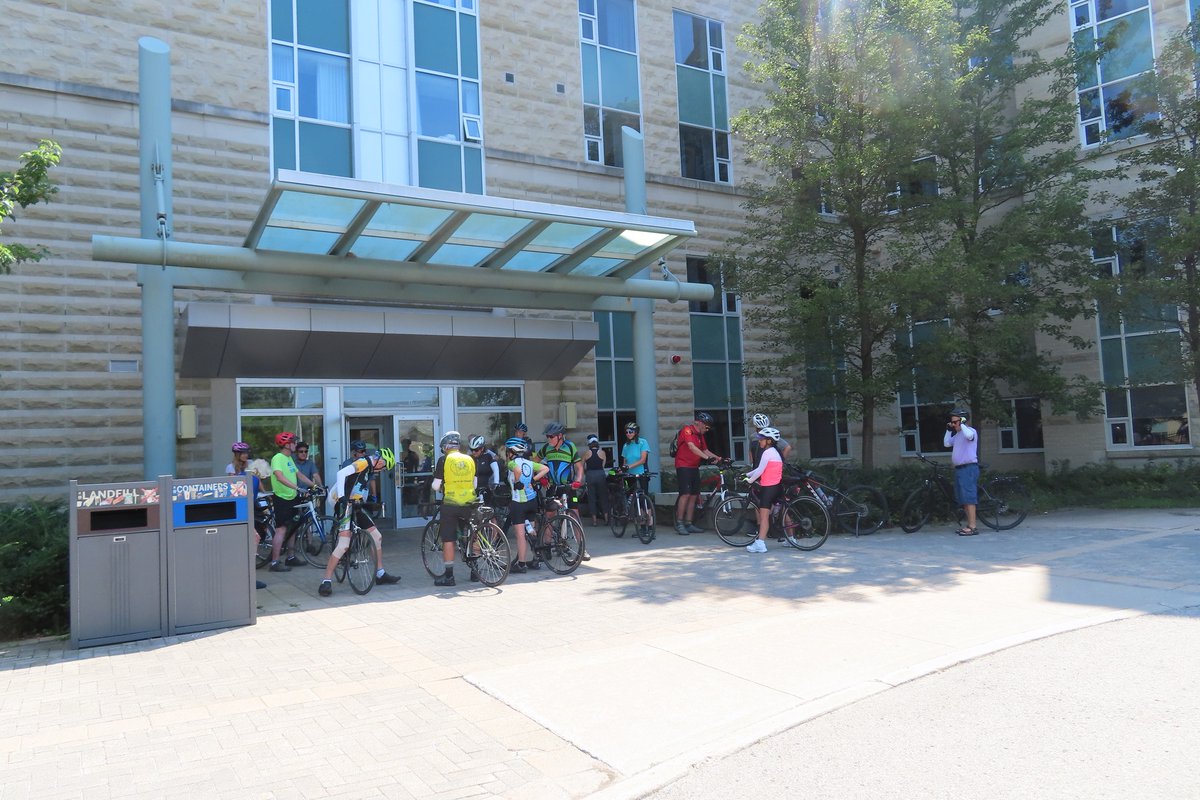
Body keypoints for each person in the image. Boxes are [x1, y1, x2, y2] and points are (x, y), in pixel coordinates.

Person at [316, 448, 401, 596]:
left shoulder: (370, 468)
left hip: (355, 502)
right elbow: (341, 474)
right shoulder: (362, 463)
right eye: (384, 467)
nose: (382, 470)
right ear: (380, 461)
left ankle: (380, 574)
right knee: (343, 544)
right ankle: (326, 581)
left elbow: (358, 486)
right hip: (342, 502)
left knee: (377, 537)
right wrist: (343, 497)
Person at [536, 421, 590, 560]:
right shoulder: (546, 448)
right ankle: (547, 546)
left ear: (560, 436)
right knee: (550, 516)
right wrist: (542, 478)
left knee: (575, 517)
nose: (548, 439)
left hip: (569, 487)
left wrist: (578, 481)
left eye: (551, 436)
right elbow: (535, 463)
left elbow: (579, 468)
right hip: (552, 487)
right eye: (547, 436)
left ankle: (582, 549)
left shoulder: (570, 447)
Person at [430, 431, 478, 586]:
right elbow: (474, 484)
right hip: (469, 503)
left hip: (450, 504)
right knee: (472, 535)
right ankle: (475, 571)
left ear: (445, 447)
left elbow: (436, 486)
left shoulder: (444, 460)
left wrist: (441, 487)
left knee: (448, 539)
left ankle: (449, 577)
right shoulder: (470, 459)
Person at [269, 431, 319, 572]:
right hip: (282, 498)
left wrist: (314, 486)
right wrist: (297, 487)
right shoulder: (278, 458)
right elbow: (279, 477)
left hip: (292, 496)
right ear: (286, 444)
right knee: (281, 529)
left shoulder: (289, 459)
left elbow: (299, 474)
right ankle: (274, 562)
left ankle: (290, 557)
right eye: (293, 442)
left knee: (294, 527)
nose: (295, 445)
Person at [504, 437, 550, 573]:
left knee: (520, 535)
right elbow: (545, 469)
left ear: (512, 451)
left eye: (507, 451)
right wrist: (533, 480)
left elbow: (517, 471)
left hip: (519, 503)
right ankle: (536, 560)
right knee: (530, 531)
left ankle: (521, 564)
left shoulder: (512, 463)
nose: (507, 454)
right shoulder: (529, 463)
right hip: (532, 502)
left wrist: (518, 481)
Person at [227, 442, 267, 589]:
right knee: (251, 540)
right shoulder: (231, 468)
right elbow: (233, 488)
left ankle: (249, 576)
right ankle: (248, 578)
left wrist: (265, 493)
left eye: (247, 452)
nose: (246, 455)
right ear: (237, 454)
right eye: (243, 453)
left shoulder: (251, 465)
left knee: (254, 539)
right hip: (240, 508)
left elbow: (258, 481)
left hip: (251, 506)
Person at [674, 411, 720, 535]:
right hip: (683, 466)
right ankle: (679, 523)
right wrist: (706, 458)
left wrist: (719, 458)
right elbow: (692, 447)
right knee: (686, 494)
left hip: (694, 467)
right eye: (706, 426)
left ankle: (689, 523)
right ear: (699, 423)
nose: (707, 429)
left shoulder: (700, 435)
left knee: (694, 495)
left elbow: (705, 450)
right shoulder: (687, 430)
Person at [743, 427, 785, 553]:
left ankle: (760, 543)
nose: (759, 441)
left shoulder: (767, 453)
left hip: (768, 488)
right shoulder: (775, 453)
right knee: (780, 513)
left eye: (761, 439)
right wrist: (748, 475)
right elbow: (759, 470)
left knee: (764, 517)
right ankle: (791, 538)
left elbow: (760, 471)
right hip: (777, 487)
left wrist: (749, 481)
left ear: (769, 441)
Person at [944, 408, 980, 536]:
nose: (953, 425)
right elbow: (947, 444)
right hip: (959, 469)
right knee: (964, 499)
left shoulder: (970, 432)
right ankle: (969, 524)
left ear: (963, 421)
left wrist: (963, 424)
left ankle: (973, 527)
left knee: (969, 498)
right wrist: (948, 431)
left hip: (968, 468)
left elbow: (969, 436)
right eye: (951, 423)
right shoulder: (958, 435)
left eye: (955, 422)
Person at [582, 434, 609, 526]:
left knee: (592, 498)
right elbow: (603, 466)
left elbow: (581, 466)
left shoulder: (586, 453)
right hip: (600, 475)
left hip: (590, 475)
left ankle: (594, 521)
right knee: (603, 497)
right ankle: (606, 518)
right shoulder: (602, 453)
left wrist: (585, 473)